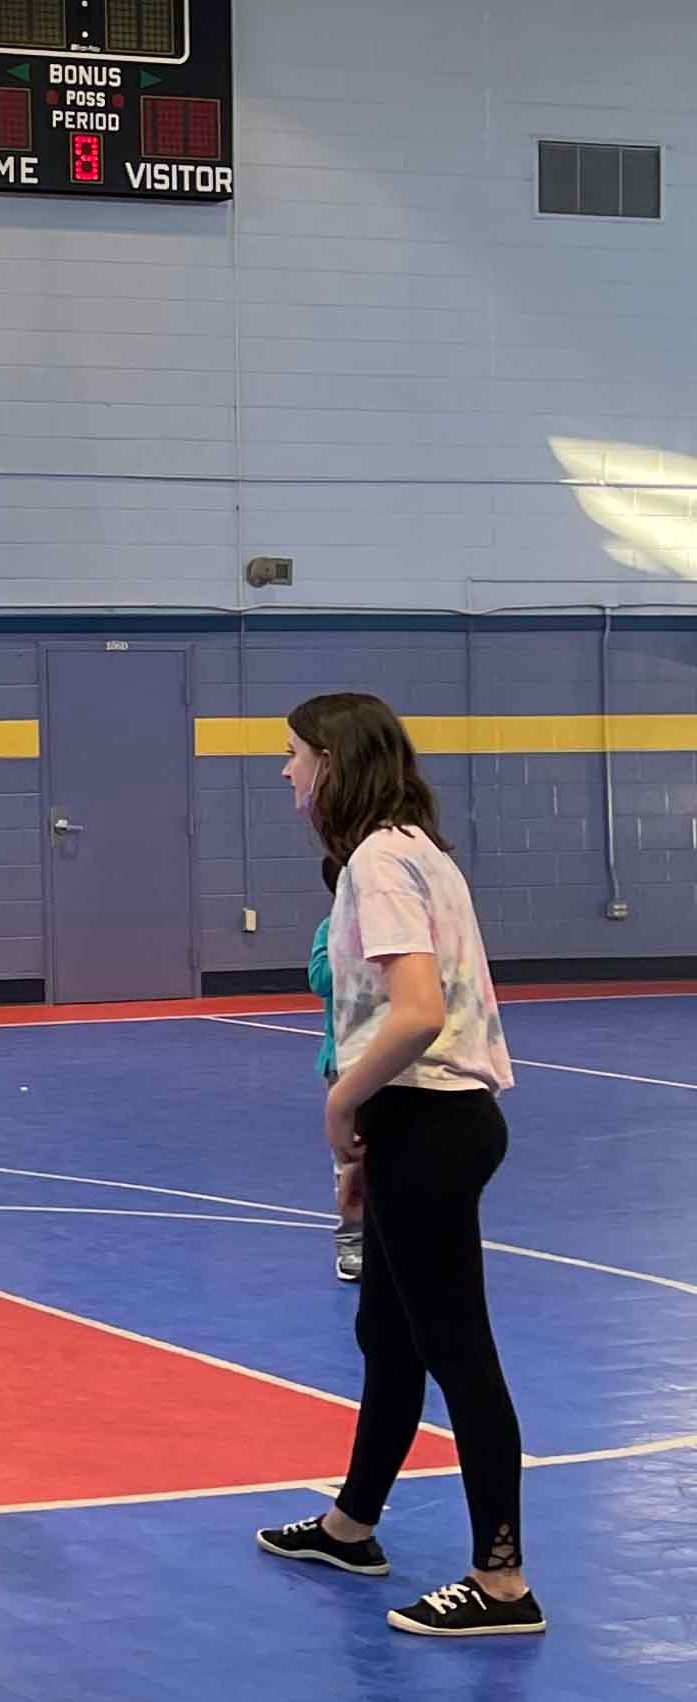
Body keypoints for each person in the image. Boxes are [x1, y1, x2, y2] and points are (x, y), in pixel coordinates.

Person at [256, 694, 542, 1637]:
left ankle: (502, 1583)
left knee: (461, 1352)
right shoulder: (415, 849)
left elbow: (417, 1011)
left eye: (295, 755)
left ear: (333, 760)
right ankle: (352, 1524)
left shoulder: (379, 861)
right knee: (389, 1330)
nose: (287, 773)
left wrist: (343, 1102)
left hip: (432, 1123)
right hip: (419, 1124)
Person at [310, 889, 366, 1284]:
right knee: (348, 1158)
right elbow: (320, 980)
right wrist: (348, 944)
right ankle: (352, 1244)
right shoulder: (330, 929)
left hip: (392, 1061)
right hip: (344, 1062)